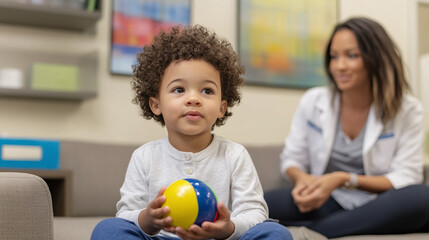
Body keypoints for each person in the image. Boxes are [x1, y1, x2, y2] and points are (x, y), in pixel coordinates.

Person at [91, 25, 292, 240]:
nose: (193, 98)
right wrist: (147, 219)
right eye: (179, 89)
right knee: (108, 230)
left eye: (207, 90)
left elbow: (255, 214)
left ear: (222, 108)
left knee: (275, 233)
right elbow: (125, 214)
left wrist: (229, 228)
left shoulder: (234, 155)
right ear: (156, 104)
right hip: (162, 238)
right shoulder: (145, 157)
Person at [264, 17, 429, 238]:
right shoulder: (313, 100)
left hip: (378, 204)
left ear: (376, 59)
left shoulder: (408, 110)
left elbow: (407, 176)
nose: (339, 66)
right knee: (266, 202)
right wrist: (306, 182)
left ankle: (313, 232)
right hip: (327, 200)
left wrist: (343, 179)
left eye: (351, 56)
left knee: (420, 197)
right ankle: (344, 225)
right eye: (334, 57)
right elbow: (292, 158)